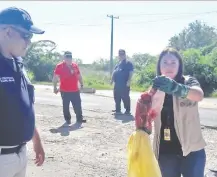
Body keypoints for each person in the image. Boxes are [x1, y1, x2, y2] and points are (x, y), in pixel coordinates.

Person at [0, 7, 45, 177]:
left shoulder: (18, 63)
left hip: (20, 154)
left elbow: (25, 106)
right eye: (26, 35)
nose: (29, 42)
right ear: (8, 32)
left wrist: (36, 140)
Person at [151, 47, 206, 177]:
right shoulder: (155, 85)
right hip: (165, 151)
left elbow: (199, 95)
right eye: (165, 62)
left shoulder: (188, 81)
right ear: (159, 65)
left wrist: (178, 88)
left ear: (179, 65)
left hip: (192, 149)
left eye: (173, 62)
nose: (169, 66)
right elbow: (149, 112)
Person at [53, 51, 86, 124]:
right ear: (64, 58)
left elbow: (79, 76)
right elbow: (55, 77)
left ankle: (79, 118)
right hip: (64, 90)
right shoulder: (60, 66)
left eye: (70, 57)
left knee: (78, 104)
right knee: (66, 106)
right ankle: (68, 119)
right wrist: (55, 87)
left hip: (75, 90)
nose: (69, 58)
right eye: (67, 57)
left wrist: (82, 84)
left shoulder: (75, 65)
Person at [111, 49, 134, 115]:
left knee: (125, 97)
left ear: (125, 55)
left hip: (124, 84)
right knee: (116, 97)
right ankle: (117, 110)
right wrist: (112, 80)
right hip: (117, 84)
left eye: (122, 54)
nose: (121, 56)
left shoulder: (128, 63)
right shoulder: (118, 64)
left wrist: (129, 81)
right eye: (120, 54)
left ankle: (127, 110)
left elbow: (131, 72)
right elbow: (114, 72)